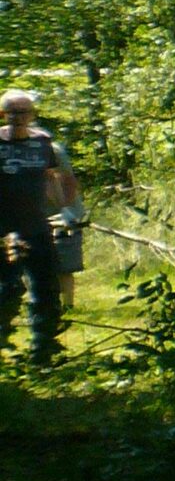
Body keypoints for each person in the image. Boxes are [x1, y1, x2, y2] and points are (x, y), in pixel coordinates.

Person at [0, 88, 81, 365]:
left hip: (36, 228)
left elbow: (57, 177)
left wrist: (65, 208)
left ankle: (43, 350)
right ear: (3, 114)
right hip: (3, 232)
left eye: (24, 112)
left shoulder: (43, 143)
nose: (18, 117)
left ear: (32, 114)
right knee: (8, 289)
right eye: (12, 112)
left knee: (46, 289)